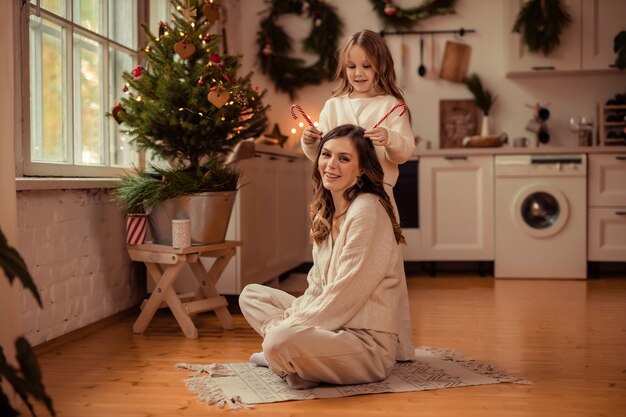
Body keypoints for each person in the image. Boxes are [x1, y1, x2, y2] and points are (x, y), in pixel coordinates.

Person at [240, 125, 415, 390]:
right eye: (326, 155)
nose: (331, 165)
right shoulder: (328, 210)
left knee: (278, 341)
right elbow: (317, 287)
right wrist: (294, 321)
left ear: (361, 170)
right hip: (332, 326)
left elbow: (345, 294)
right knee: (251, 296)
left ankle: (287, 358)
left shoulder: (366, 211)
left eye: (344, 159)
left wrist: (289, 328)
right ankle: (298, 364)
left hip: (366, 344)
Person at [301, 29, 415, 209]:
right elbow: (321, 155)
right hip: (337, 197)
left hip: (377, 196)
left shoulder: (391, 106)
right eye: (351, 66)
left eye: (367, 66)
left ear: (381, 66)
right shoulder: (333, 106)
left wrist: (389, 138)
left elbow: (405, 152)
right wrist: (309, 142)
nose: (358, 73)